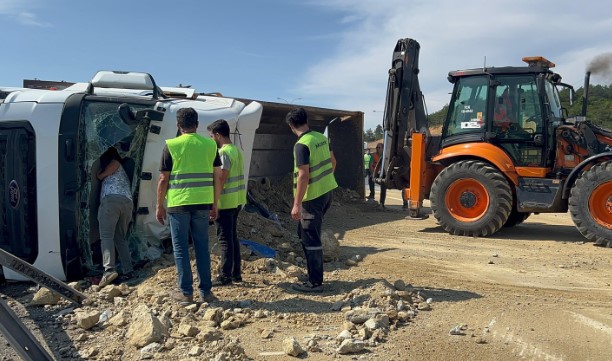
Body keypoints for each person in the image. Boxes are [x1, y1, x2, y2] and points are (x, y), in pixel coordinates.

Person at [156, 107, 222, 304]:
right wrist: (215, 203)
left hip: (179, 204)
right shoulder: (210, 145)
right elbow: (218, 176)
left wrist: (159, 205)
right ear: (197, 125)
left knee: (181, 249)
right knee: (202, 247)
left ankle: (186, 293)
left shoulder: (171, 145)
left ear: (178, 125)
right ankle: (206, 293)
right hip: (203, 203)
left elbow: (163, 179)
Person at [286, 107, 337, 293]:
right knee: (303, 232)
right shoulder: (321, 138)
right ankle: (312, 273)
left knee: (310, 237)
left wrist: (297, 204)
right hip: (326, 193)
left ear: (291, 125)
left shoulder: (302, 145)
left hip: (312, 197)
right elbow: (333, 162)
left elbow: (303, 175)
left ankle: (315, 282)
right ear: (305, 121)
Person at [207, 119, 246, 286]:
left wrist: (214, 203)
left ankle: (225, 276)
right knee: (232, 237)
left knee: (225, 240)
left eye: (211, 136)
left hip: (226, 202)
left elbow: (221, 178)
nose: (211, 139)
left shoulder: (223, 153)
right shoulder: (236, 150)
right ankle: (236, 273)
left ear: (218, 135)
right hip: (237, 200)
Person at [96, 146, 134, 287]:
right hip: (127, 203)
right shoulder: (122, 172)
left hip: (111, 200)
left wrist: (99, 173)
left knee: (106, 236)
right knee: (120, 238)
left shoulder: (115, 163)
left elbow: (100, 176)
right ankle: (128, 270)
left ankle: (109, 269)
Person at [372, 143, 387, 208]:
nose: (377, 149)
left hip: (383, 173)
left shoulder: (386, 156)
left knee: (383, 187)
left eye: (379, 147)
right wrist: (373, 174)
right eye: (377, 147)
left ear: (383, 148)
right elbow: (370, 165)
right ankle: (372, 194)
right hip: (375, 173)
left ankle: (382, 203)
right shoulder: (374, 156)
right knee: (370, 180)